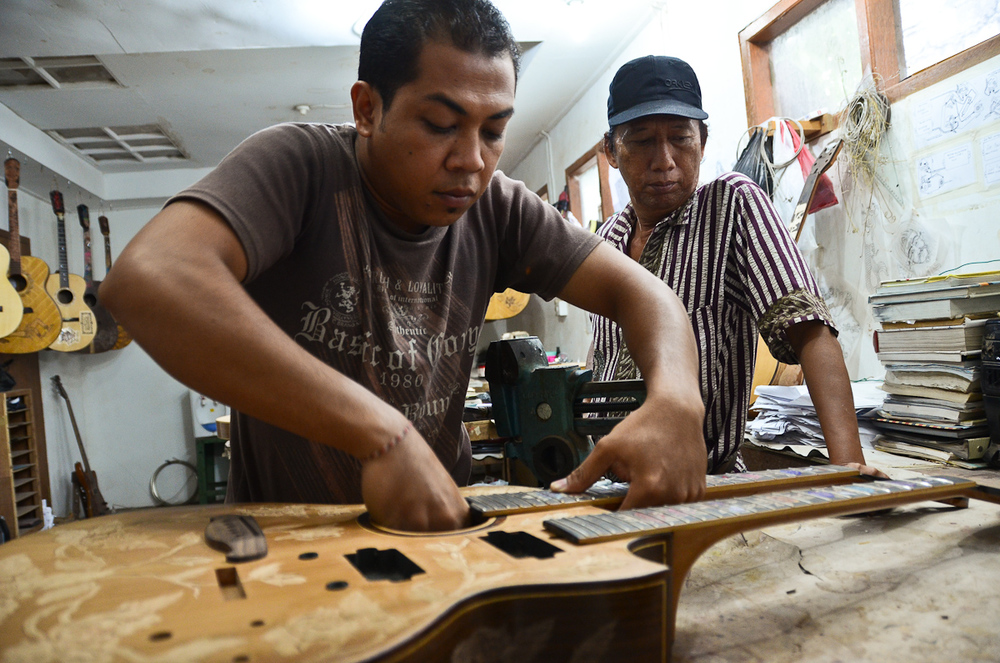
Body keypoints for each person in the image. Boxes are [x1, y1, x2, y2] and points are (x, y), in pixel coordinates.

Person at [101, 0, 709, 532]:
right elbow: (151, 278)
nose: (472, 161)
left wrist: (679, 400)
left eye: (494, 130)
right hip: (291, 546)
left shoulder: (497, 206)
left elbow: (647, 297)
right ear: (367, 109)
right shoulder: (300, 168)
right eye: (441, 124)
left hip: (442, 532)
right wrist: (381, 435)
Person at [584, 55, 884, 477]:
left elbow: (809, 330)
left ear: (702, 142)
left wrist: (850, 468)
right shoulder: (606, 241)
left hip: (702, 484)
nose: (664, 160)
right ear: (611, 151)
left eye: (680, 138)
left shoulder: (730, 207)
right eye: (641, 140)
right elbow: (602, 360)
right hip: (608, 485)